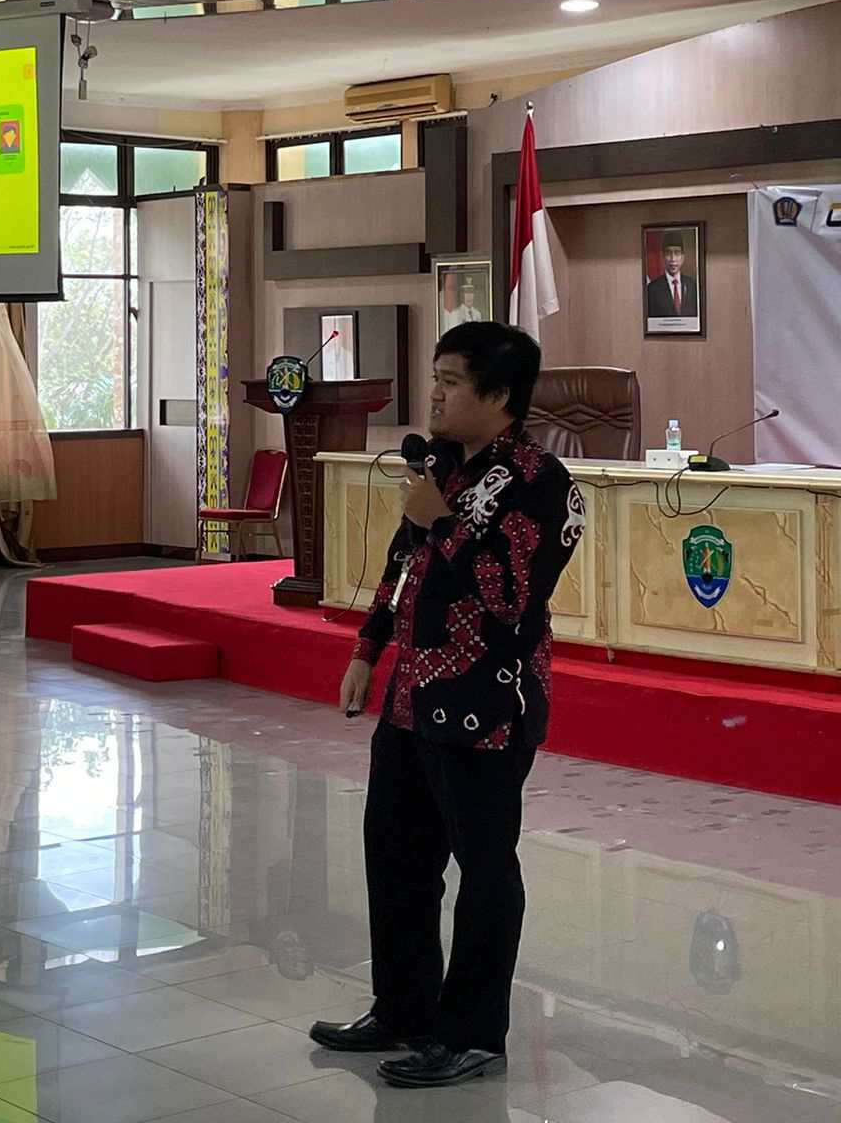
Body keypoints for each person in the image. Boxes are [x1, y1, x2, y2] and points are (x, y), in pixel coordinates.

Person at [309, 321, 585, 1089]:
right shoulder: (441, 467)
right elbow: (402, 565)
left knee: (485, 872)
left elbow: (511, 597)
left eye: (451, 381)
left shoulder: (539, 482)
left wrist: (443, 520)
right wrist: (367, 649)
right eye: (435, 377)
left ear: (499, 395)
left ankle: (472, 1035)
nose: (434, 394)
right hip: (411, 697)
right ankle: (403, 1009)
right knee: (396, 859)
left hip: (487, 704)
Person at [646, 232, 698, 318]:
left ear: (682, 257)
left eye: (677, 253)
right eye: (668, 253)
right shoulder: (652, 289)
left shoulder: (693, 285)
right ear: (663, 257)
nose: (673, 259)